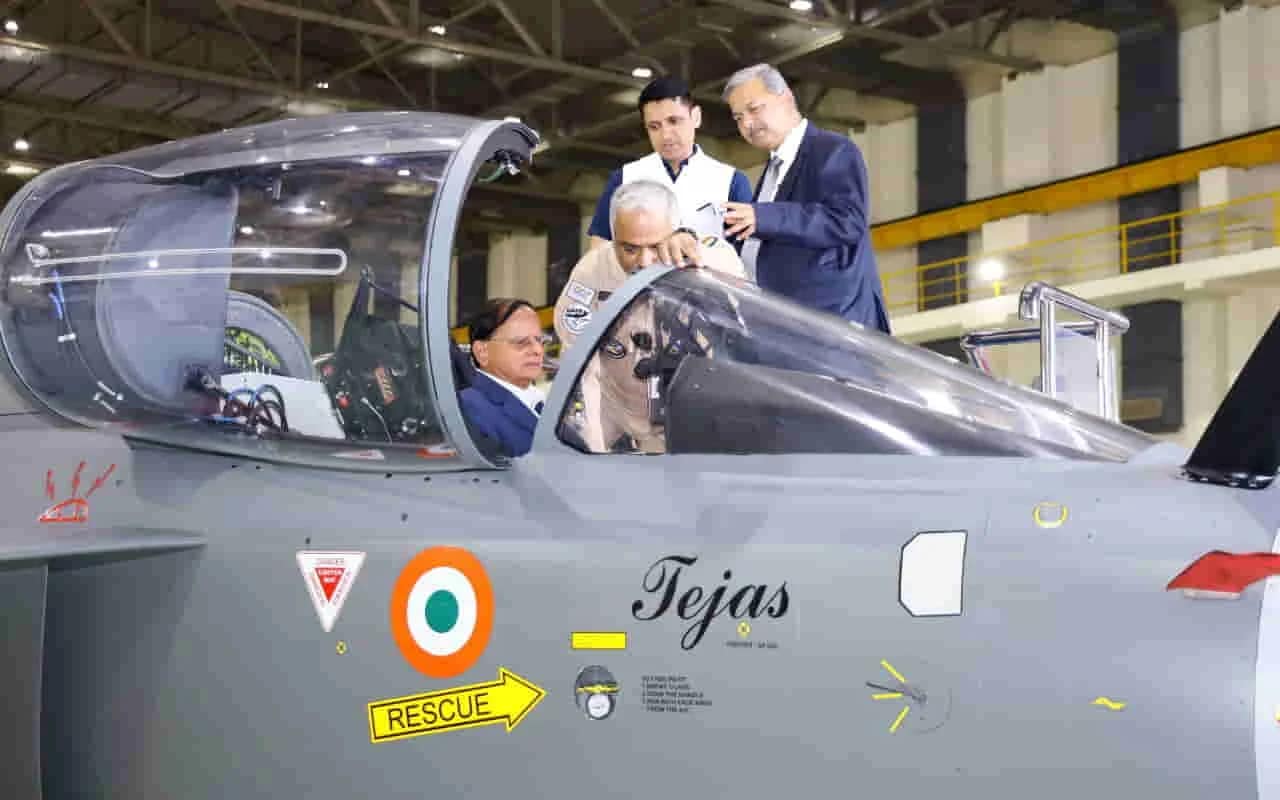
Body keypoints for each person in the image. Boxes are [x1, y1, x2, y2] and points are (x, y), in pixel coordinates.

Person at [554, 180, 746, 453]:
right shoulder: (592, 272)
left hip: (688, 413)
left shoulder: (706, 255)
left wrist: (691, 250)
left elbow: (735, 287)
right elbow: (579, 365)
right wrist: (591, 447)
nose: (643, 262)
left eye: (656, 247)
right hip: (614, 408)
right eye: (629, 249)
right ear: (613, 237)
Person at [720, 63, 891, 334]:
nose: (747, 124)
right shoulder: (772, 169)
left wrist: (762, 216)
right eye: (738, 117)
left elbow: (846, 220)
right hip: (784, 326)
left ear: (786, 98)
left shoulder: (833, 150)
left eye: (754, 109)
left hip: (834, 327)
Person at [586, 75, 753, 250]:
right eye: (654, 126)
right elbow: (599, 246)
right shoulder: (625, 178)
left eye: (674, 121)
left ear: (696, 117)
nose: (665, 135)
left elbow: (746, 252)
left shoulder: (730, 181)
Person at [458, 298, 547, 458]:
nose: (537, 350)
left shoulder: (547, 401)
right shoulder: (468, 410)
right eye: (521, 342)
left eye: (540, 340)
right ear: (482, 352)